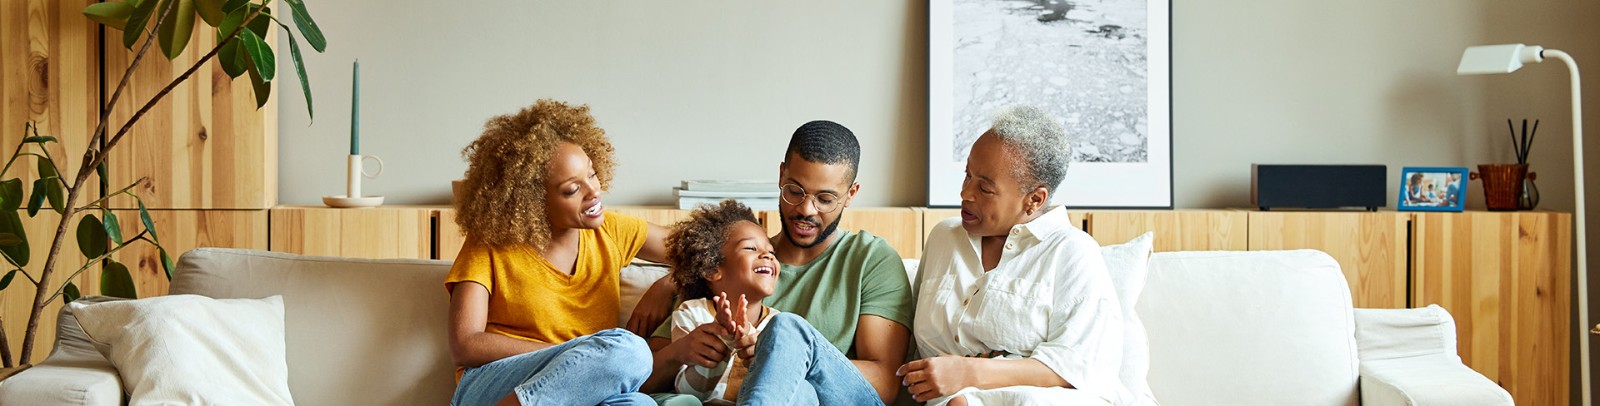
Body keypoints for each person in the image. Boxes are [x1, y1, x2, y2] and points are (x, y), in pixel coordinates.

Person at [644, 120, 913, 405]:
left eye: (825, 199)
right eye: (795, 191)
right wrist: (674, 285)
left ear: (851, 194)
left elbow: (884, 383)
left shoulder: (870, 259)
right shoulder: (730, 264)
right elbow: (646, 377)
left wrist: (778, 356)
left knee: (785, 333)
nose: (806, 210)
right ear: (781, 175)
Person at [445, 99, 675, 406]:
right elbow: (466, 344)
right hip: (493, 383)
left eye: (592, 175)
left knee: (639, 404)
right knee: (630, 352)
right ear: (532, 201)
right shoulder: (490, 242)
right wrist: (572, 354)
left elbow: (710, 250)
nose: (594, 191)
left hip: (579, 388)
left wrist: (670, 283)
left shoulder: (613, 231)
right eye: (572, 189)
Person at [902, 106, 1129, 406]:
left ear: (1034, 199)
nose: (965, 193)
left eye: (984, 188)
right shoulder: (944, 239)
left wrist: (969, 372)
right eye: (967, 175)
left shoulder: (1073, 252)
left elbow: (1077, 366)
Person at [663, 200, 782, 402]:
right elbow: (689, 393)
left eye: (771, 252)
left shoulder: (779, 324)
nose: (767, 256)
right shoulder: (691, 313)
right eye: (750, 248)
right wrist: (721, 341)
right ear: (712, 269)